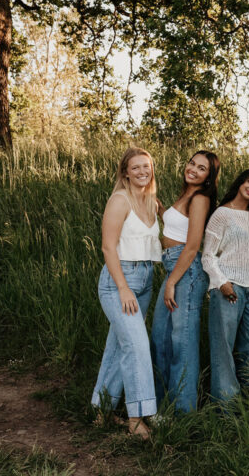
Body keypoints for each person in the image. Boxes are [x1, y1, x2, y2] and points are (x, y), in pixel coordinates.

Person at [92, 147, 162, 439]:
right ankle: (137, 417)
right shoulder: (119, 200)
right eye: (135, 168)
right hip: (119, 280)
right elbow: (108, 247)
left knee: (121, 345)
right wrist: (122, 288)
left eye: (146, 166)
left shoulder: (151, 202)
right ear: (125, 173)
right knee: (136, 345)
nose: (142, 172)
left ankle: (102, 412)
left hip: (145, 279)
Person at [150, 151, 219, 413]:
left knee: (182, 343)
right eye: (192, 163)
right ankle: (161, 407)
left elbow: (192, 246)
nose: (193, 169)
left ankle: (183, 412)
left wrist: (171, 282)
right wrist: (161, 210)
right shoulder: (187, 195)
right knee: (161, 339)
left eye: (201, 168)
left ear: (208, 177)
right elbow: (178, 228)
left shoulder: (201, 199)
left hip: (186, 272)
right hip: (175, 267)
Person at [202, 169, 249, 406]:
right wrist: (221, 282)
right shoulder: (222, 214)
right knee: (223, 348)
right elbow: (207, 256)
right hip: (228, 288)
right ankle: (227, 408)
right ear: (240, 181)